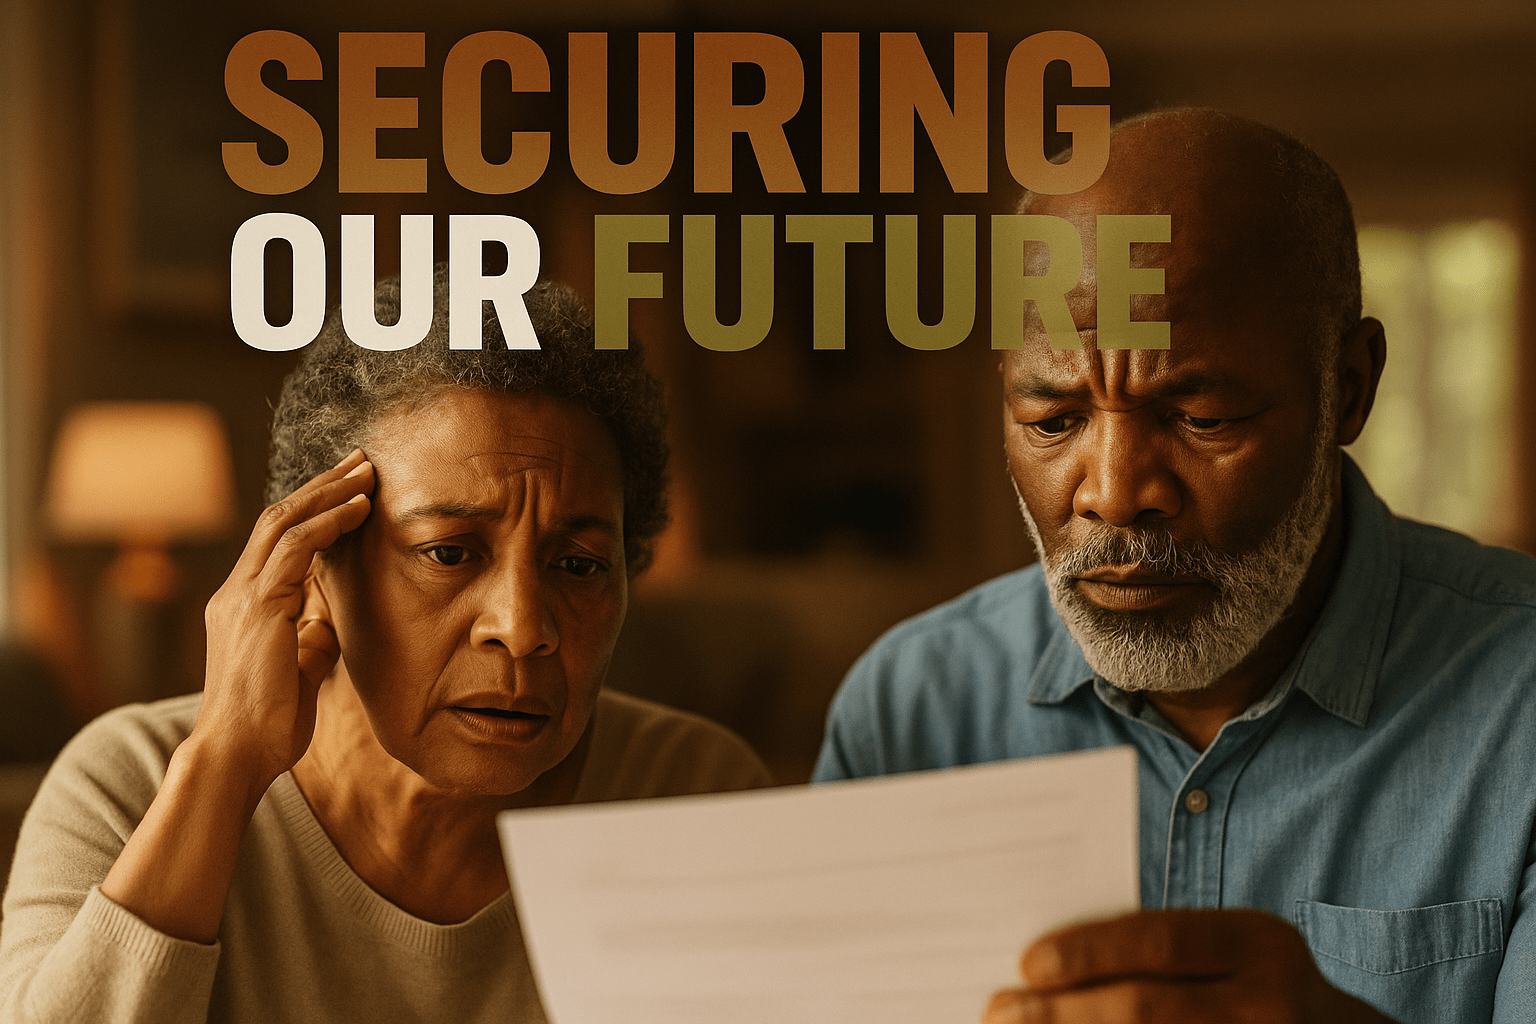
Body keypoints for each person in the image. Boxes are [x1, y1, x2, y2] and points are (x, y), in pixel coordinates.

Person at [814, 108, 1536, 1024]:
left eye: (1202, 418)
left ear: (1348, 388)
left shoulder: (1520, 703)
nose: (1115, 494)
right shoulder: (909, 713)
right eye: (1053, 420)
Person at [0, 270, 772, 1023]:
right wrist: (224, 766)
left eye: (579, 566)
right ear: (316, 564)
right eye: (449, 552)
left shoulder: (697, 797)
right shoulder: (126, 790)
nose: (521, 626)